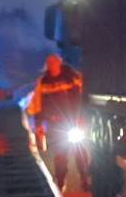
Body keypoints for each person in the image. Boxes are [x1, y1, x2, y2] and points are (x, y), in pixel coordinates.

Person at [27, 53, 87, 190]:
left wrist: (82, 116)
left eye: (54, 62)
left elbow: (83, 96)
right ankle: (60, 182)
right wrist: (38, 124)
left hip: (73, 120)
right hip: (56, 124)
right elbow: (37, 104)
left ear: (59, 63)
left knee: (80, 152)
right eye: (49, 63)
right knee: (60, 154)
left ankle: (84, 179)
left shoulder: (72, 77)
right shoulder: (43, 82)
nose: (52, 65)